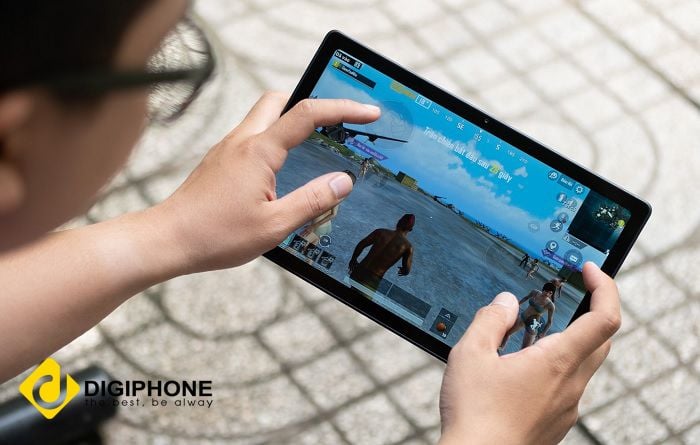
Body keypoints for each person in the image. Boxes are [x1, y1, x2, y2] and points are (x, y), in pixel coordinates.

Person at [0, 2, 621, 443]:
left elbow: (371, 248)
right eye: (161, 55)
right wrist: (490, 436)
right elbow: (402, 264)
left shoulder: (387, 236)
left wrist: (171, 235)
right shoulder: (405, 244)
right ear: (17, 134)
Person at [348, 213, 414, 290]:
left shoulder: (380, 232)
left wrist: (353, 259)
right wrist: (403, 270)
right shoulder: (407, 247)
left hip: (359, 271)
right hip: (372, 279)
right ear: (410, 229)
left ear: (398, 222)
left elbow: (361, 245)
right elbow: (406, 270)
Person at [300, 169, 356, 254]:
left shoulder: (334, 193)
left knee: (294, 247)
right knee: (307, 253)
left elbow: (333, 214)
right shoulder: (339, 193)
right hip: (324, 227)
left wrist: (314, 226)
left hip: (318, 227)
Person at [499, 283, 556, 351]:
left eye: (550, 293)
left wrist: (543, 333)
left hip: (533, 324)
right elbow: (525, 298)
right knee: (507, 333)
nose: (547, 294)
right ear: (543, 289)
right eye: (546, 291)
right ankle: (501, 348)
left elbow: (549, 322)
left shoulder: (550, 305)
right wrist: (516, 305)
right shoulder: (535, 292)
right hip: (523, 317)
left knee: (525, 349)